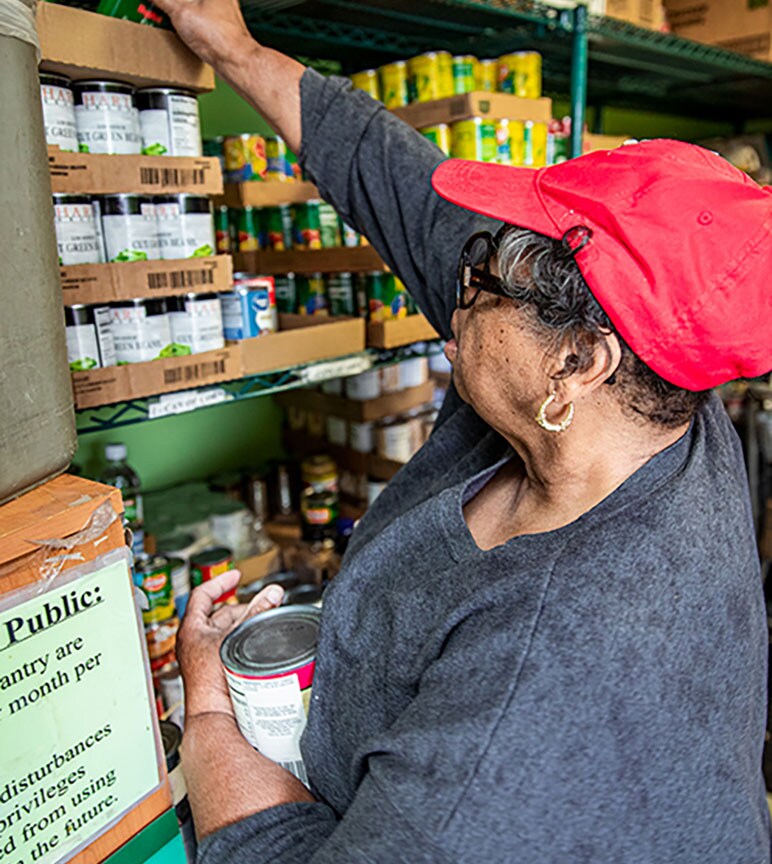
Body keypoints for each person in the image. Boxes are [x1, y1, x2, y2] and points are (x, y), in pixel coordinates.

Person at [154, 0, 772, 860]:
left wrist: (212, 707)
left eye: (481, 280)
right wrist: (235, 46)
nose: (458, 288)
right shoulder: (647, 396)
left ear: (579, 364)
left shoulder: (542, 689)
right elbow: (399, 181)